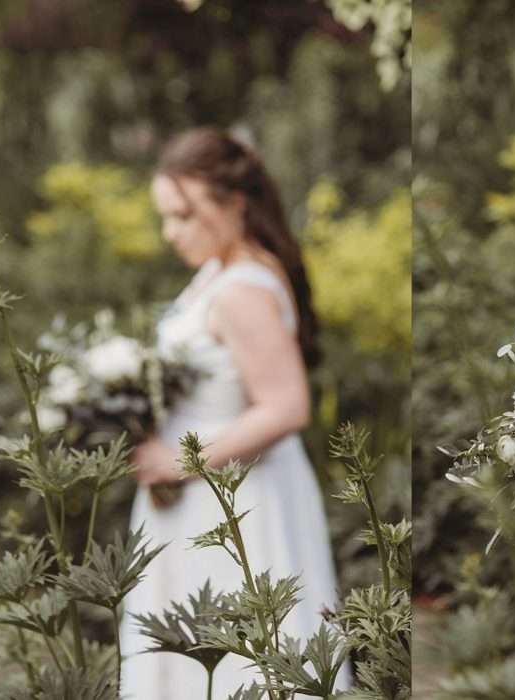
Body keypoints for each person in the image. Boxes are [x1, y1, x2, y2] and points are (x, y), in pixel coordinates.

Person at [118, 127, 350, 699]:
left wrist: (179, 461)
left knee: (236, 661)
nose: (171, 233)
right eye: (165, 217)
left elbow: (287, 405)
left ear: (234, 204)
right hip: (203, 496)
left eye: (184, 216)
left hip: (234, 500)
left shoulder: (241, 288)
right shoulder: (221, 272)